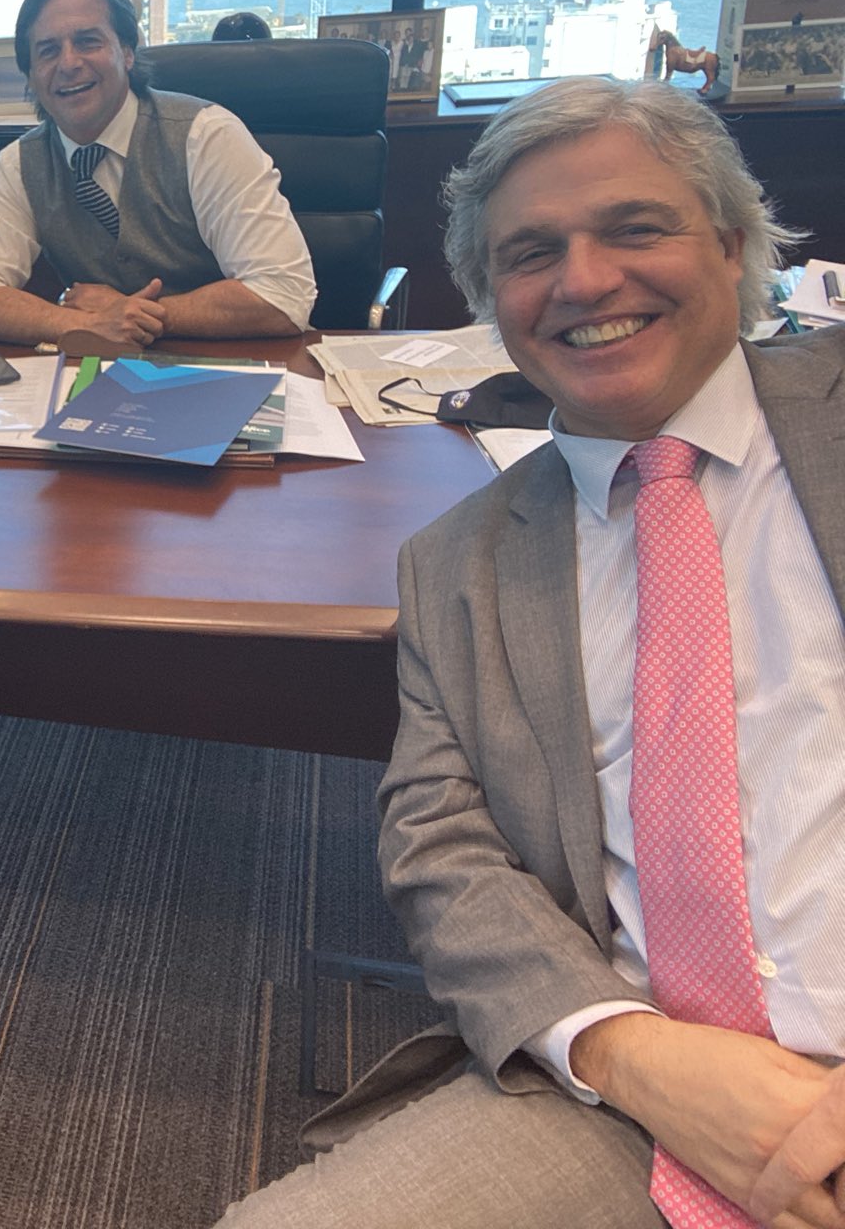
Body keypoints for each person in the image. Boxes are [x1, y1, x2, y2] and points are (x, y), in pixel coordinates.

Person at [216, 76, 844, 1229]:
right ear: (490, 301)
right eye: (530, 252)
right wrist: (635, 1057)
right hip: (631, 1091)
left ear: (731, 242)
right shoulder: (456, 565)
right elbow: (438, 851)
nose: (584, 281)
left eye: (633, 227)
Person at [0, 0, 316, 348]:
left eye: (88, 41)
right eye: (48, 51)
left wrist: (136, 314)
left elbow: (283, 294)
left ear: (127, 51)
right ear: (32, 75)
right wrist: (78, 324)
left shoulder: (205, 136)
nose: (68, 63)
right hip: (101, 376)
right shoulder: (22, 162)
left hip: (225, 367)